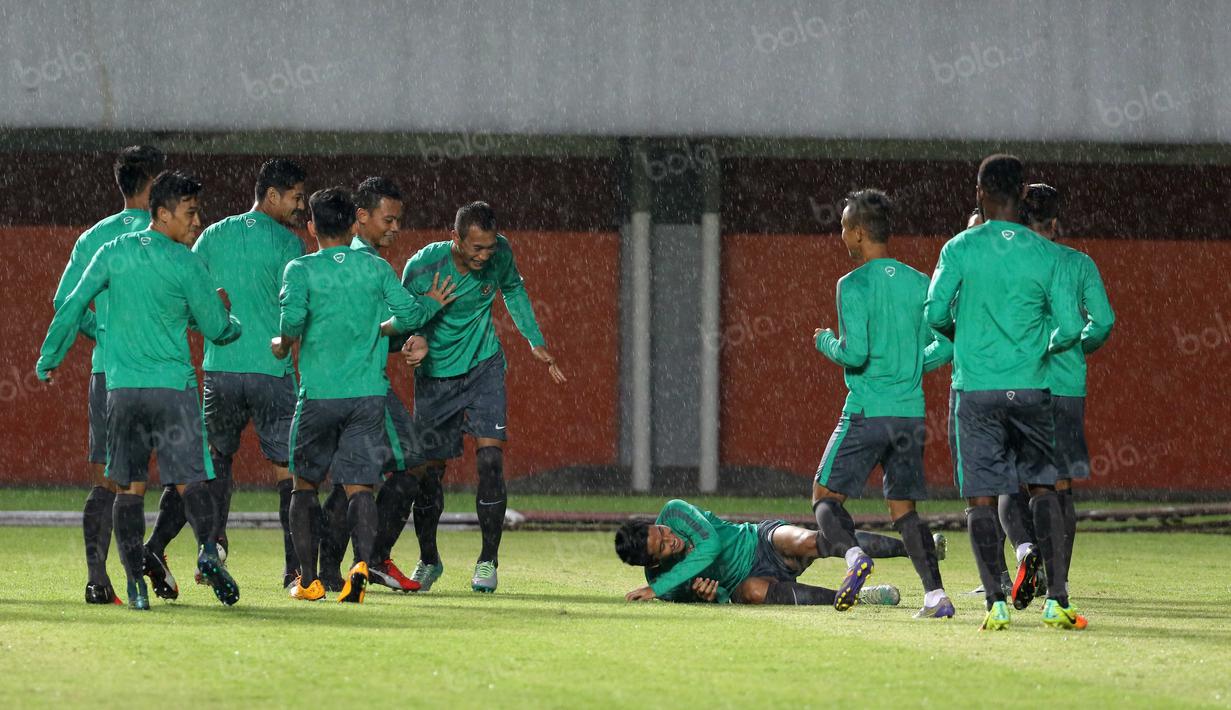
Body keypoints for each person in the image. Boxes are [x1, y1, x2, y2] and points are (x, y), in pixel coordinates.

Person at [37, 170, 243, 610]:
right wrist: (232, 322)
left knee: (129, 488)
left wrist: (49, 358)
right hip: (173, 391)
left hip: (123, 392)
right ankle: (208, 550)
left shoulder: (112, 251)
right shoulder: (186, 262)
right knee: (191, 481)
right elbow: (216, 330)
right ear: (163, 213)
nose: (197, 222)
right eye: (190, 213)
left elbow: (71, 303)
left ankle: (134, 586)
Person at [925, 154, 1085, 631]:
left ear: (979, 194)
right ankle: (1056, 599)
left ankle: (994, 601)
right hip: (1033, 388)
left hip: (975, 390)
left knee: (980, 497)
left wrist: (969, 334)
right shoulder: (1047, 254)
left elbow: (934, 313)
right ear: (1022, 195)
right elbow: (1073, 325)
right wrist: (1036, 343)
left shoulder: (959, 247)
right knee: (1044, 488)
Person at [275, 187, 454, 603]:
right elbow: (408, 315)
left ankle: (307, 580)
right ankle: (362, 564)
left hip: (319, 395)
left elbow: (293, 321)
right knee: (360, 488)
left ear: (312, 226)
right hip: (367, 396)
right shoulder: (374, 270)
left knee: (304, 486)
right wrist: (407, 316)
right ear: (353, 222)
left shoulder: (300, 269)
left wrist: (282, 342)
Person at [148, 158, 306, 593]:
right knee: (288, 472)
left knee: (214, 462)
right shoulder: (290, 245)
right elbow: (297, 310)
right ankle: (295, 571)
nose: (300, 205)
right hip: (273, 373)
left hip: (220, 372)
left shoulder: (212, 235)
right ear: (271, 195)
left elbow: (190, 296)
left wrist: (208, 323)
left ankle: (210, 547)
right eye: (295, 197)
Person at [400, 201, 565, 593]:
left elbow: (513, 289)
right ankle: (428, 560)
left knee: (490, 459)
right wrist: (413, 338)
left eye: (489, 247)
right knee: (428, 472)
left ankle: (488, 561)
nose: (485, 255)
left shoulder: (500, 253)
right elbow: (402, 317)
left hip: (484, 368)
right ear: (455, 238)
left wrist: (534, 340)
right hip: (436, 377)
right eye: (476, 248)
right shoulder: (422, 267)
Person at [812, 189, 955, 619]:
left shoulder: (851, 284)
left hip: (866, 412)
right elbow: (945, 346)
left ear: (857, 234)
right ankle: (936, 596)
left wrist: (826, 343)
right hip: (909, 415)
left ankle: (854, 557)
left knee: (824, 498)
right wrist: (912, 363)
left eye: (842, 227)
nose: (840, 234)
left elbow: (854, 354)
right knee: (905, 510)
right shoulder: (918, 281)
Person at [50, 145, 165, 605]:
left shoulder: (93, 238)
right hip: (160, 375)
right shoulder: (168, 233)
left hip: (110, 374)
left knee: (106, 479)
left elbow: (65, 303)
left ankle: (99, 580)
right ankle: (144, 568)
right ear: (155, 185)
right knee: (159, 479)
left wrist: (103, 331)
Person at [996, 184, 1114, 612]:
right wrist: (1077, 347)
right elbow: (1103, 322)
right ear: (1055, 222)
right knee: (1060, 486)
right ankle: (1056, 582)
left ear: (1020, 221)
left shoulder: (1010, 263)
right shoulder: (1078, 263)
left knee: (1012, 478)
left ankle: (1026, 549)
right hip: (1065, 388)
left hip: (1017, 382)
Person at [315, 176, 430, 593]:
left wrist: (406, 339)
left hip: (332, 384)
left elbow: (373, 328)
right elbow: (380, 325)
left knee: (351, 477)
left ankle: (326, 567)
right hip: (364, 385)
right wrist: (424, 313)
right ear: (360, 217)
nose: (395, 228)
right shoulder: (367, 264)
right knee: (410, 462)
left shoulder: (339, 260)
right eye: (389, 219)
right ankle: (373, 558)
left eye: (398, 220)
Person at [616, 499, 900, 607]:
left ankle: (914, 548)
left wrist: (658, 587)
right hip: (745, 583)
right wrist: (715, 597)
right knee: (752, 593)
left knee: (809, 542)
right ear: (653, 562)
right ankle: (860, 596)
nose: (671, 539)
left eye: (662, 530)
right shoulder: (665, 586)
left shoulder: (675, 511)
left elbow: (710, 546)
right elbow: (719, 598)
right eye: (663, 546)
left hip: (759, 541)